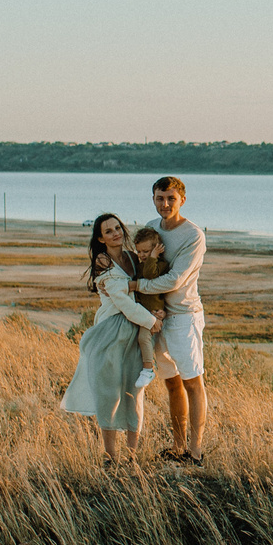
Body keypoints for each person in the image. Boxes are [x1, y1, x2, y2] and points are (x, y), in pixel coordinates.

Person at [59, 212, 158, 461]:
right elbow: (123, 302)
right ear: (101, 239)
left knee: (134, 393)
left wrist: (157, 309)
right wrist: (152, 321)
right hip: (111, 332)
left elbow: (147, 281)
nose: (115, 234)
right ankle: (110, 455)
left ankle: (132, 456)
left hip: (135, 331)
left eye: (117, 228)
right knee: (109, 393)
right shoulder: (103, 262)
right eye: (108, 231)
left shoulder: (133, 257)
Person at [132, 174, 207, 464]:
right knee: (171, 384)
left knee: (193, 382)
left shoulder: (193, 235)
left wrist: (136, 287)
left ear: (182, 200)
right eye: (160, 198)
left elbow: (175, 279)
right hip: (155, 317)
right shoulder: (151, 228)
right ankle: (178, 448)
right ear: (153, 199)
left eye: (171, 198)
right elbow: (142, 264)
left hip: (184, 316)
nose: (165, 204)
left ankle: (196, 452)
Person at [126, 225, 173, 391]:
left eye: (146, 251)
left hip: (153, 314)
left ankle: (148, 369)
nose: (142, 255)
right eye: (139, 251)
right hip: (141, 312)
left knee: (143, 338)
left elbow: (149, 275)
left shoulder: (161, 265)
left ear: (157, 249)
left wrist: (153, 257)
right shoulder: (140, 265)